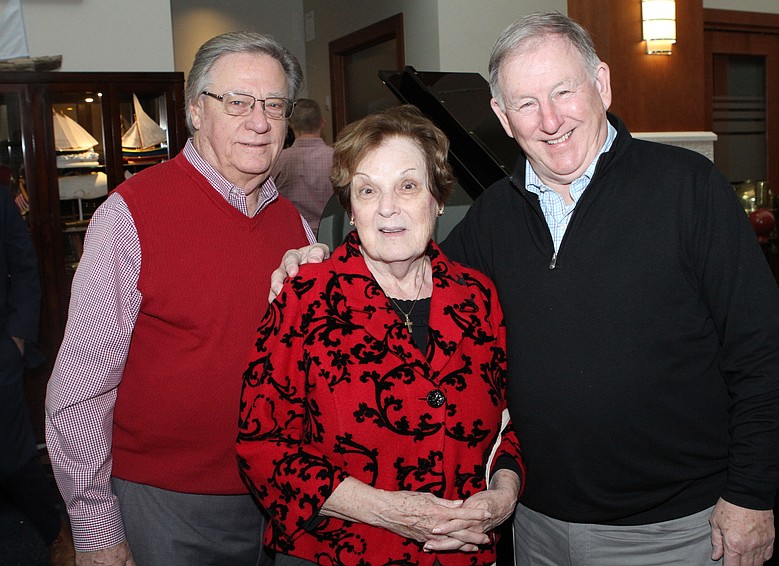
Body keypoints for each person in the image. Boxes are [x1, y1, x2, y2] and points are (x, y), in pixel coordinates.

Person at [273, 12, 779, 566]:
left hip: (671, 529)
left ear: (601, 84)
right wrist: (321, 262)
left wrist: (750, 495)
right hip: (533, 526)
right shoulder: (493, 216)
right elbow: (404, 269)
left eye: (563, 91)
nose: (550, 120)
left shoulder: (689, 190)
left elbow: (763, 352)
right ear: (502, 117)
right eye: (526, 103)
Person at [45, 31, 314, 566]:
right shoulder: (131, 215)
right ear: (195, 110)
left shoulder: (297, 227)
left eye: (274, 105)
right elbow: (78, 392)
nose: (259, 122)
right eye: (237, 102)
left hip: (280, 499)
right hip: (165, 506)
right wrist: (96, 528)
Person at [236, 104, 524, 566]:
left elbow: (512, 423)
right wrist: (389, 511)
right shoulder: (305, 298)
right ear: (351, 209)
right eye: (368, 190)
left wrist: (503, 495)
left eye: (408, 186)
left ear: (438, 198)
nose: (388, 208)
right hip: (337, 555)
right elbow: (263, 446)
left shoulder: (478, 297)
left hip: (462, 554)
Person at [1, 181, 75, 566]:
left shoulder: (2, 197)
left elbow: (25, 268)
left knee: (13, 456)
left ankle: (55, 531)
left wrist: (16, 338)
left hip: (1, 350)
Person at [272, 98, 335, 237]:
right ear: (322, 123)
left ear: (290, 126)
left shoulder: (278, 160)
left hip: (292, 236)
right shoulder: (337, 159)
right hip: (331, 237)